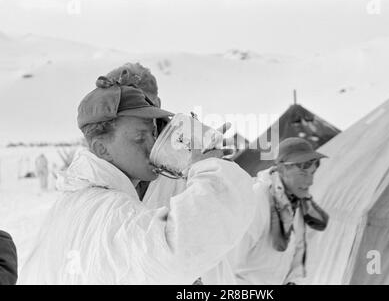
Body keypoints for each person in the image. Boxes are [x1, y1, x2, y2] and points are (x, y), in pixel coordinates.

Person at [19, 76, 256, 284]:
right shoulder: (107, 210)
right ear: (102, 149)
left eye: (153, 133)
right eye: (139, 137)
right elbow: (176, 251)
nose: (152, 145)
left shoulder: (78, 201)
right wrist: (208, 168)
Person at [229, 137, 329, 285]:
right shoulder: (257, 200)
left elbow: (294, 255)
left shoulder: (296, 204)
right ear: (281, 169)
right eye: (303, 174)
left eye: (312, 173)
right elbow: (228, 264)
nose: (310, 182)